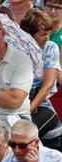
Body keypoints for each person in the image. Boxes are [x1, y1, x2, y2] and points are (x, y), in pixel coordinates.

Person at [21, 9, 61, 141]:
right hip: (18, 101)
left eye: (48, 34)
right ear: (29, 35)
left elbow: (48, 85)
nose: (47, 38)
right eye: (43, 34)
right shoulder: (17, 48)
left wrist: (28, 111)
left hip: (42, 104)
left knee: (22, 136)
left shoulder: (50, 48)